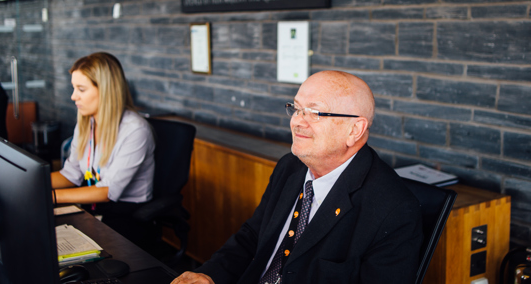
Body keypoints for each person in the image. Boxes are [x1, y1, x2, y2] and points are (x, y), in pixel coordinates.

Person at [172, 71, 423, 284]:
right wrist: (209, 275)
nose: (297, 122)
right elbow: (252, 236)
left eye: (314, 112)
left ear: (354, 130)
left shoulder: (395, 210)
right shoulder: (290, 167)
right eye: (296, 108)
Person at [51, 52, 156, 246]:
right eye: (74, 88)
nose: (73, 96)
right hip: (94, 208)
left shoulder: (135, 130)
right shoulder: (86, 122)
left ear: (106, 90)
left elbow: (107, 191)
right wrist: (30, 182)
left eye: (81, 89)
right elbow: (71, 173)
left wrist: (49, 196)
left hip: (127, 216)